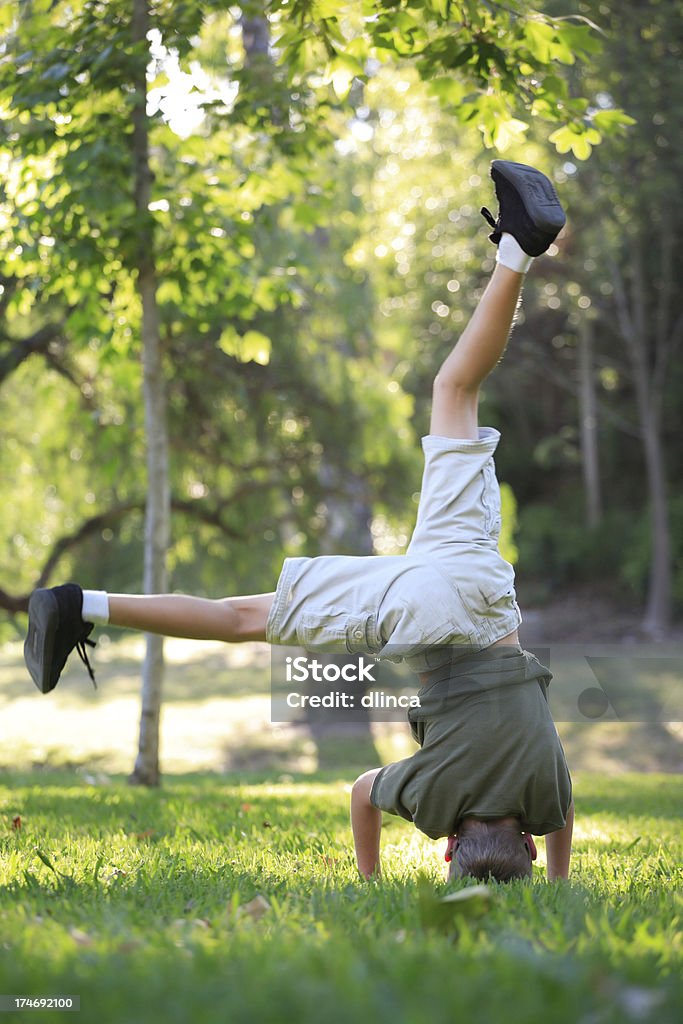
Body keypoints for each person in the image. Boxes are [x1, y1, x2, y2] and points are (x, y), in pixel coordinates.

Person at [24, 159, 574, 883]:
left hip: (478, 582)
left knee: (454, 389)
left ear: (528, 844)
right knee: (241, 618)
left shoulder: (548, 797)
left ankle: (515, 249)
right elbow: (360, 796)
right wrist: (369, 883)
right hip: (423, 614)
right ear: (446, 845)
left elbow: (563, 817)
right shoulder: (437, 802)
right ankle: (79, 605)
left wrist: (563, 879)